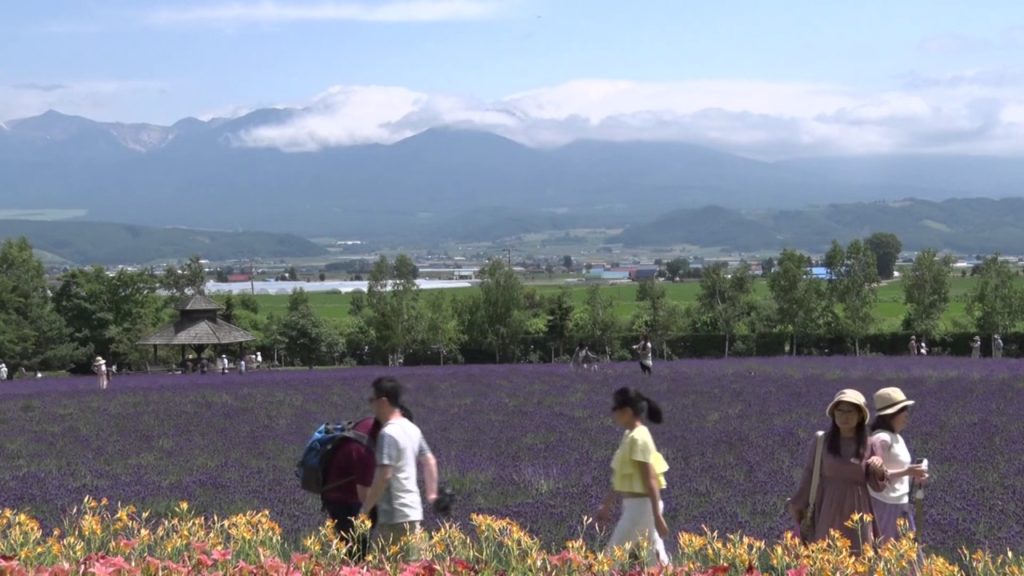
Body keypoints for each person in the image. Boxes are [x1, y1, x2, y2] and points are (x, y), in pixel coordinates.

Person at [789, 389, 888, 553]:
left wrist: (879, 470)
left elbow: (878, 486)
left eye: (850, 411)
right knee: (826, 553)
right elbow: (809, 473)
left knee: (858, 556)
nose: (844, 416)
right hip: (827, 507)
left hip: (858, 510)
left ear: (860, 416)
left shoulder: (871, 444)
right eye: (840, 411)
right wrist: (798, 503)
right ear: (833, 414)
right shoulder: (822, 441)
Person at [360, 377, 438, 561]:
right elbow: (430, 461)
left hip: (393, 516)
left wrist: (366, 508)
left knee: (381, 568)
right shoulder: (412, 429)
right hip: (413, 512)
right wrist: (432, 495)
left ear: (383, 402)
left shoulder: (388, 433)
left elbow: (384, 475)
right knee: (415, 568)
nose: (371, 406)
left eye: (372, 400)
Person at [597, 387, 669, 566]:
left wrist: (657, 516)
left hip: (641, 508)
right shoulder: (629, 436)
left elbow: (650, 479)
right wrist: (606, 505)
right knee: (656, 560)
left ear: (627, 412)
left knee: (611, 558)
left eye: (616, 411)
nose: (613, 415)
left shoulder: (640, 438)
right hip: (636, 506)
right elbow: (621, 477)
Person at [868, 387, 929, 543]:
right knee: (889, 555)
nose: (906, 414)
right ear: (891, 415)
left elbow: (897, 473)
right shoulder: (881, 438)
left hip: (899, 504)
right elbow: (872, 473)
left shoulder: (897, 438)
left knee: (905, 554)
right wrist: (907, 471)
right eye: (903, 410)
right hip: (884, 505)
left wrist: (914, 476)